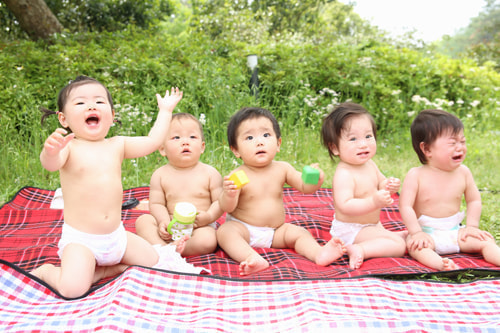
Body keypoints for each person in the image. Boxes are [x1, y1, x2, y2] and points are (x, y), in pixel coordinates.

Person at [31, 75, 183, 298]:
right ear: (63, 119)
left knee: (155, 263)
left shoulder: (117, 145)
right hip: (82, 241)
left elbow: (152, 142)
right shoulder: (69, 147)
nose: (91, 105)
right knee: (71, 289)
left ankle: (105, 269)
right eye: (80, 102)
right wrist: (51, 150)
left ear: (112, 116)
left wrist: (166, 112)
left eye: (99, 101)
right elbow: (51, 164)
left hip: (116, 237)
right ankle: (47, 272)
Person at [217, 106, 346, 276]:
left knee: (300, 233)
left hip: (276, 231)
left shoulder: (282, 169)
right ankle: (252, 258)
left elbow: (304, 187)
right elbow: (227, 207)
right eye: (249, 137)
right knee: (225, 232)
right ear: (236, 150)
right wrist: (229, 194)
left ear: (278, 144)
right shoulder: (237, 175)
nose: (259, 142)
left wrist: (315, 179)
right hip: (244, 229)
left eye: (266, 135)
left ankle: (319, 253)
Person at [400, 109, 500, 270]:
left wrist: (472, 226)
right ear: (427, 149)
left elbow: (473, 200)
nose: (460, 147)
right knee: (417, 248)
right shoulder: (416, 175)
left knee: (486, 241)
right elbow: (405, 206)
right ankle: (442, 265)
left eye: (463, 141)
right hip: (427, 232)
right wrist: (416, 232)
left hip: (456, 231)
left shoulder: (463, 172)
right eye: (452, 143)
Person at [321, 102, 407, 270]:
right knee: (399, 246)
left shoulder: (370, 164)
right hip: (351, 230)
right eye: (353, 139)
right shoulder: (344, 173)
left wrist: (388, 184)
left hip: (371, 225)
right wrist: (373, 202)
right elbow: (345, 205)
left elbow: (380, 182)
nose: (363, 144)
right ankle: (359, 249)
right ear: (335, 148)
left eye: (368, 136)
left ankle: (385, 237)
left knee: (403, 237)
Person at [135, 113, 223, 256]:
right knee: (143, 221)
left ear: (202, 147)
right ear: (162, 149)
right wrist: (163, 222)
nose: (185, 142)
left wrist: (209, 216)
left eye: (192, 137)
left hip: (198, 227)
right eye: (176, 137)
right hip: (170, 224)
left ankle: (170, 252)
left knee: (208, 240)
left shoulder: (210, 173)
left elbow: (220, 201)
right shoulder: (160, 174)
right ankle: (163, 248)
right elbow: (157, 204)